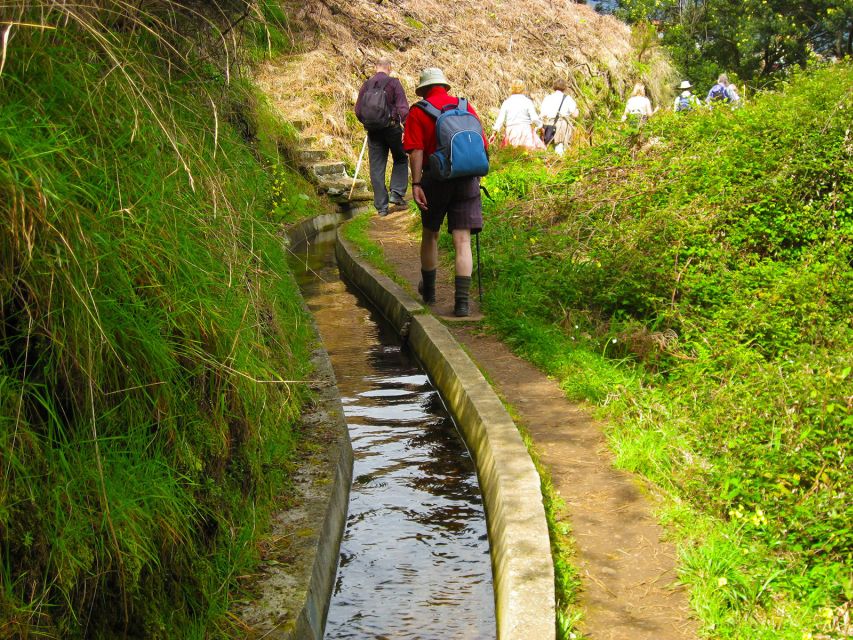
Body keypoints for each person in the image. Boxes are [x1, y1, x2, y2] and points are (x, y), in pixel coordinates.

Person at [403, 68, 488, 317]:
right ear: (444, 86)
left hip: (435, 180)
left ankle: (429, 293)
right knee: (462, 241)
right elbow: (481, 144)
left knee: (431, 235)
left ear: (423, 89)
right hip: (467, 178)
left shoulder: (419, 111)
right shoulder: (465, 107)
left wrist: (416, 184)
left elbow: (416, 151)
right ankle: (462, 304)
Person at [355, 58, 410, 217]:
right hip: (392, 128)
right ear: (389, 68)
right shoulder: (394, 83)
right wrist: (407, 126)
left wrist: (369, 122)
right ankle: (397, 193)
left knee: (377, 167)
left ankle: (382, 207)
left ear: (376, 68)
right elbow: (403, 107)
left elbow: (358, 110)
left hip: (373, 131)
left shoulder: (366, 85)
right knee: (400, 158)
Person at [490, 80, 545, 151]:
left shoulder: (507, 102)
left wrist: (494, 133)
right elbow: (534, 118)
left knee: (513, 154)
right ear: (523, 89)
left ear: (511, 89)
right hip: (525, 131)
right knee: (528, 154)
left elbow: (500, 119)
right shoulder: (527, 101)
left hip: (511, 131)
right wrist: (540, 126)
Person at [539, 78, 580, 155]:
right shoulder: (568, 99)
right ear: (565, 88)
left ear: (554, 87)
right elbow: (575, 115)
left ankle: (553, 163)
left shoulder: (547, 98)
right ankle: (560, 163)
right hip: (562, 125)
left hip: (549, 125)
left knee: (551, 146)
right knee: (560, 148)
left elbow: (542, 114)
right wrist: (577, 109)